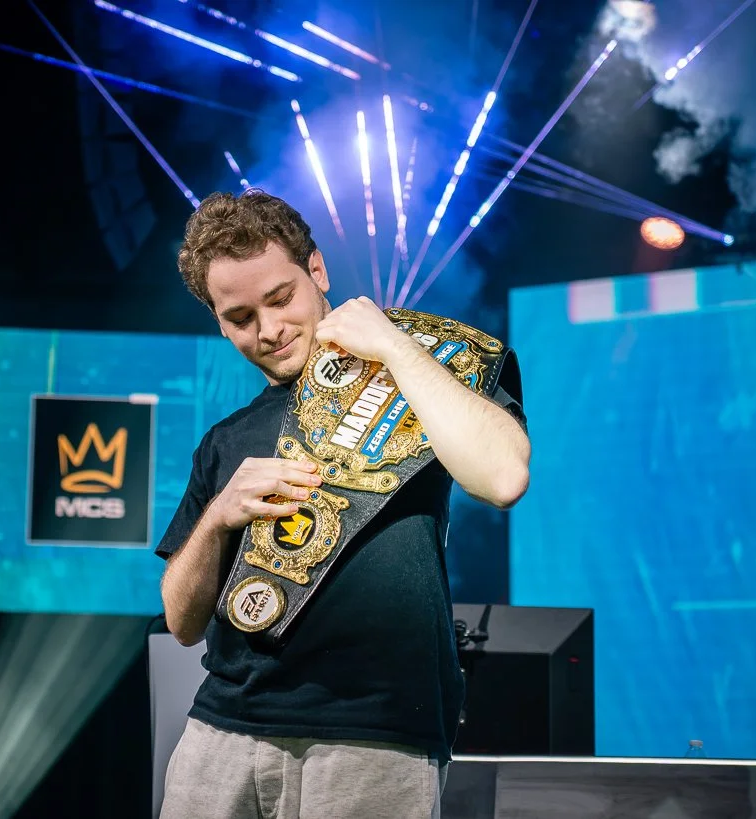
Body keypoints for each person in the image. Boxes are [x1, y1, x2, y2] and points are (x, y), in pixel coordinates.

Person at [156, 189, 531, 819]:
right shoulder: (226, 440)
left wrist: (394, 346)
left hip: (375, 731)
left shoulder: (420, 377)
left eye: (281, 299)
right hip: (221, 727)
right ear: (219, 322)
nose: (269, 330)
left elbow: (502, 478)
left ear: (318, 271)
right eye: (241, 317)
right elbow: (182, 623)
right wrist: (219, 515)